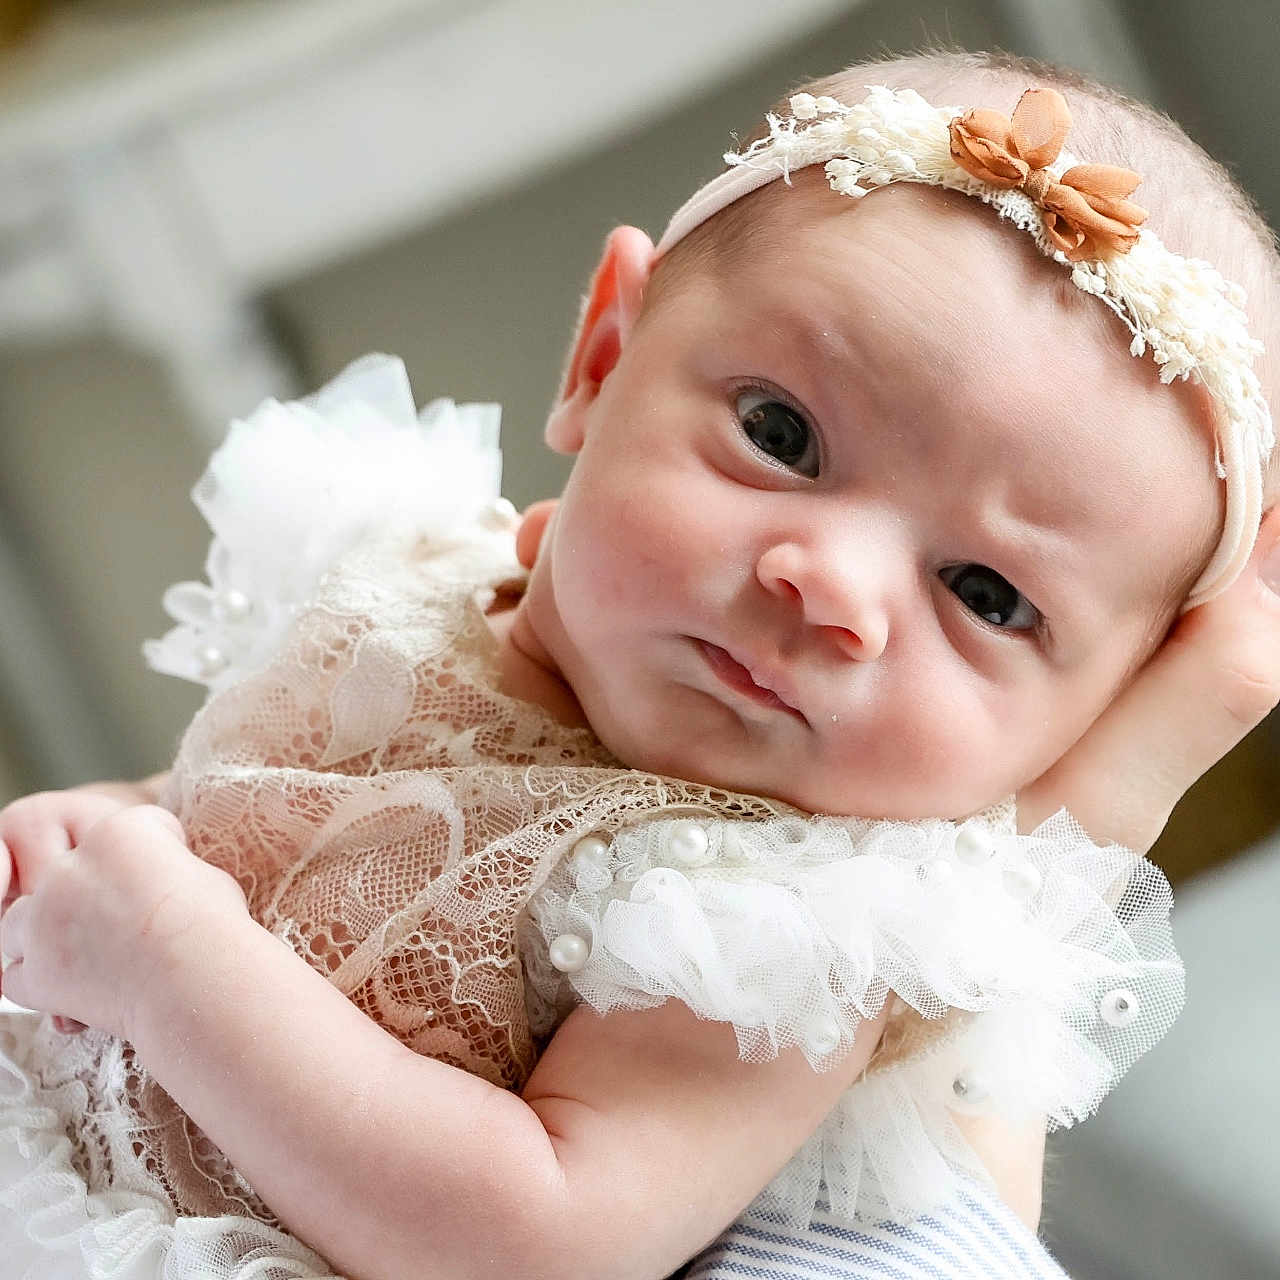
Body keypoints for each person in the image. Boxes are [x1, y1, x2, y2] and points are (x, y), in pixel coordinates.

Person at [2, 48, 1279, 1280]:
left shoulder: (781, 925)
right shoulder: (415, 566)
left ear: (1077, 723)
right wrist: (87, 834)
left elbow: (530, 1233)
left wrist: (169, 956)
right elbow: (238, 806)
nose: (829, 588)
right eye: (780, 434)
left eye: (985, 593)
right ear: (601, 359)